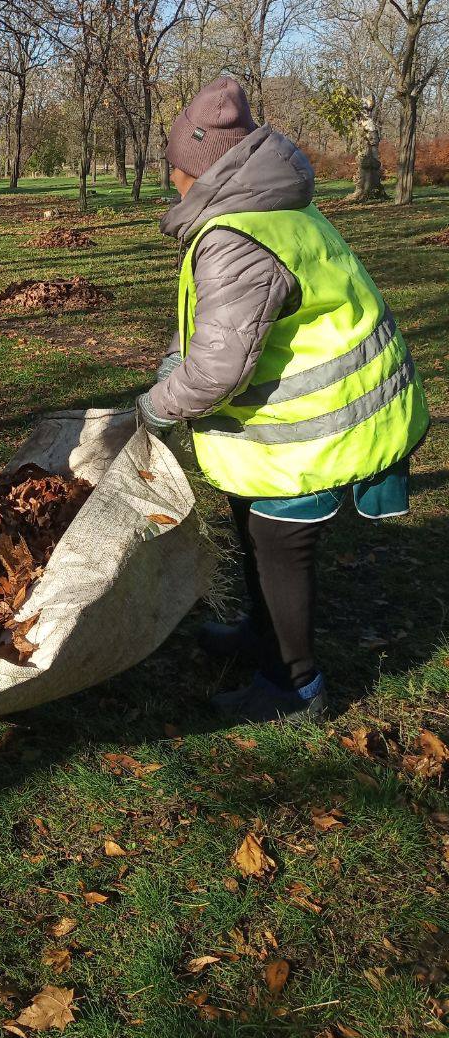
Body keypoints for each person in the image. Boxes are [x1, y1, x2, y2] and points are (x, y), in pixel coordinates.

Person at [137, 75, 429, 723]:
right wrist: (172, 359)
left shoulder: (236, 236)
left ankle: (292, 686)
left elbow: (218, 367)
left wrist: (156, 408)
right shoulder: (265, 209)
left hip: (321, 424)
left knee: (278, 541)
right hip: (303, 413)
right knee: (251, 521)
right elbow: (216, 325)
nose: (172, 181)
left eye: (176, 169)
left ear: (200, 171)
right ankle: (259, 634)